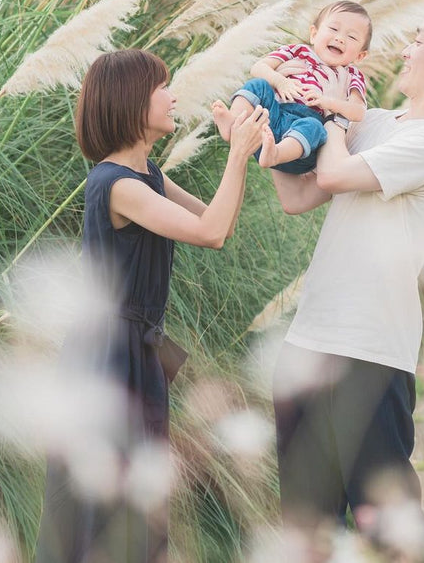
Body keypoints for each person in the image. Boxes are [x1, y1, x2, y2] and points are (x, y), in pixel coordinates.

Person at [267, 0, 424, 562]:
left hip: (370, 356)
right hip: (307, 343)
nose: (405, 49)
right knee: (307, 529)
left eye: (420, 38)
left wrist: (328, 117)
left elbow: (334, 175)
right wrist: (265, 141)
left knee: (389, 534)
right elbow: (300, 195)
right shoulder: (376, 122)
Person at [34, 48, 268, 563]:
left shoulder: (149, 175)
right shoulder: (114, 184)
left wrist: (241, 152)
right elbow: (209, 233)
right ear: (131, 101)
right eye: (162, 86)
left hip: (136, 354)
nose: (173, 94)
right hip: (107, 361)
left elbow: (218, 224)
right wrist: (235, 157)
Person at [212, 0, 371, 173]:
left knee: (314, 127)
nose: (340, 38)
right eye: (333, 29)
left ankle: (276, 153)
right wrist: (280, 81)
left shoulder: (351, 76)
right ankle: (235, 124)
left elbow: (359, 111)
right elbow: (258, 68)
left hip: (300, 145)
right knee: (258, 85)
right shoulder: (298, 51)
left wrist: (329, 102)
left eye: (352, 37)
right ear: (314, 34)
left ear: (360, 56)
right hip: (270, 119)